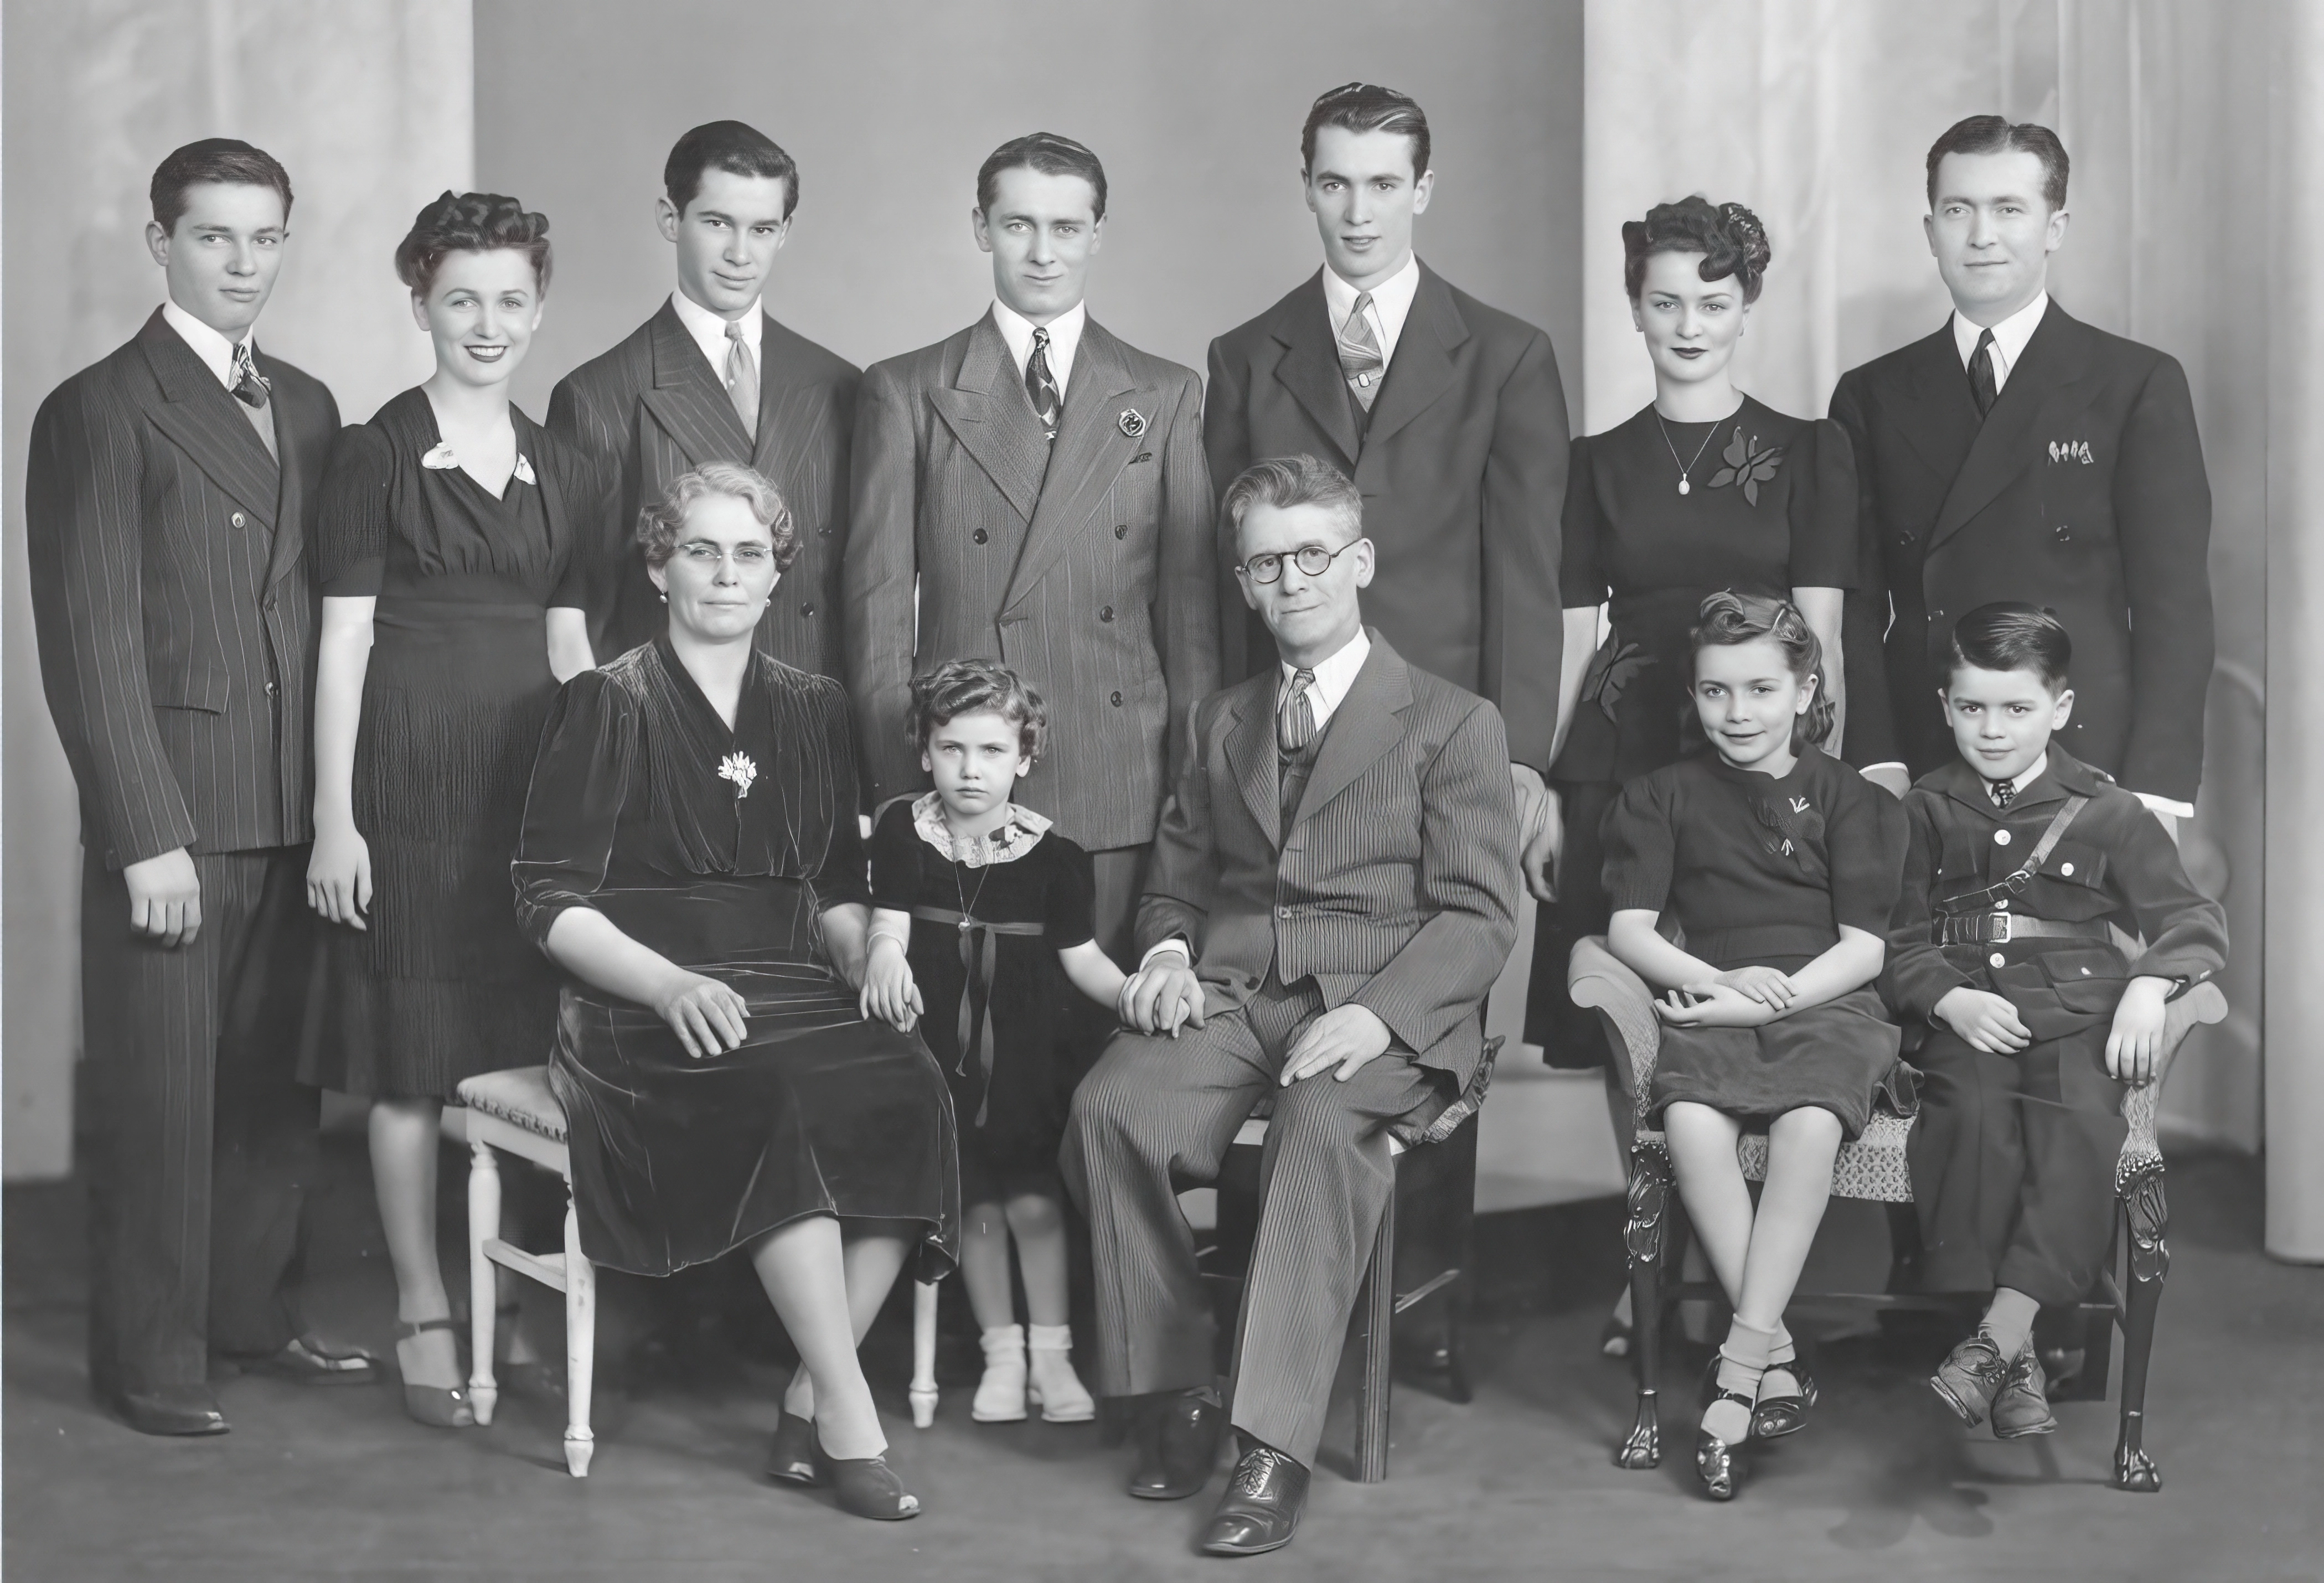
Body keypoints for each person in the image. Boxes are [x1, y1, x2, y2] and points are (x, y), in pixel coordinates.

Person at [1063, 456, 1518, 1557]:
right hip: (1236, 988)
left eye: (1311, 553)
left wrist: (1381, 1015)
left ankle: (1268, 1444)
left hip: (1383, 1002)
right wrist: (1167, 949)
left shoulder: (1453, 721)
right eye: (1266, 561)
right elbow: (1173, 881)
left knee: (1316, 1125)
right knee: (1110, 1102)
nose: (1290, 578)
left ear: (1356, 561)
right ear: (1244, 578)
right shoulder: (1220, 721)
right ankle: (1172, 1389)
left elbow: (1477, 912)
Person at [513, 462, 957, 1520]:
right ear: (659, 566)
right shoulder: (605, 702)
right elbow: (546, 898)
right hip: (639, 999)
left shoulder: (813, 707)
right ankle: (848, 1415)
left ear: (776, 577)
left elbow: (834, 887)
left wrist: (869, 959)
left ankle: (809, 1389)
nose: (725, 572)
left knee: (912, 1086)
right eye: (700, 550)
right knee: (778, 1093)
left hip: (790, 981)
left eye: (748, 552)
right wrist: (666, 984)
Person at [24, 138, 381, 1437]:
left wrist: (337, 804)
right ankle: (154, 1355)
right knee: (163, 1097)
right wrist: (144, 833)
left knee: (271, 1092)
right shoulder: (99, 408)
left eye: (265, 239)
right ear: (161, 243)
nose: (243, 263)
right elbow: (92, 642)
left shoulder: (312, 401)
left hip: (290, 810)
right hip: (177, 818)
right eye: (216, 236)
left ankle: (249, 1315)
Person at [1522, 196, 1871, 1356]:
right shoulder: (1591, 462)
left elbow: (1821, 632)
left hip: (1756, 758)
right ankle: (1653, 1258)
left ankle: (1741, 1294)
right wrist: (1542, 779)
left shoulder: (1810, 448)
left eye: (1711, 303)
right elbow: (1577, 636)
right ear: (1631, 306)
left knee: (1744, 990)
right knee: (1632, 1010)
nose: (1687, 323)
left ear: (1744, 309)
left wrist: (1814, 790)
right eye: (1663, 300)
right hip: (1619, 757)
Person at [301, 191, 597, 1427]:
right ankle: (424, 1303)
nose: (488, 323)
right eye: (461, 298)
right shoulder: (374, 453)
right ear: (419, 301)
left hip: (525, 792)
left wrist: (608, 790)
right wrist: (334, 816)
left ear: (539, 306)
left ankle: (506, 1302)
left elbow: (574, 642)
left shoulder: (570, 462)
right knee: (411, 1068)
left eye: (511, 300)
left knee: (518, 1049)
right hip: (406, 793)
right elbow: (343, 642)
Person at [846, 132, 1217, 966]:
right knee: (975, 1052)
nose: (1042, 253)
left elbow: (1190, 618)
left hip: (1117, 769)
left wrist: (1193, 786)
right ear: (980, 228)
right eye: (1017, 226)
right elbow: (875, 615)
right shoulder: (907, 389)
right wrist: (893, 792)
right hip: (963, 777)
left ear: (1098, 233)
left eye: (1065, 227)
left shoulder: (1163, 393)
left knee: (1101, 1051)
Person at [1204, 82, 1568, 901]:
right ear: (1305, 186)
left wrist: (1519, 759)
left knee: (1436, 996)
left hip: (1451, 731)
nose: (1358, 212)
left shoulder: (1507, 356)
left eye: (1384, 185)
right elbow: (1225, 582)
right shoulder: (1242, 359)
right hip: (1286, 733)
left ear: (1423, 190)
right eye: (1335, 184)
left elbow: (1525, 576)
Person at [1882, 604, 2225, 1441]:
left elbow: (2190, 921)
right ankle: (2016, 1352)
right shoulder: (1923, 809)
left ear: (2060, 709)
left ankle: (1993, 1341)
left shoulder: (2106, 812)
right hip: (1967, 1019)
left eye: (2016, 709)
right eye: (1971, 708)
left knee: (2076, 1126)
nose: (1991, 730)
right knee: (1967, 1124)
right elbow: (1890, 939)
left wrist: (2149, 987)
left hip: (2080, 1018)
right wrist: (1947, 999)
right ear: (1944, 705)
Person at [1599, 592, 1909, 1502]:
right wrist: (1724, 989)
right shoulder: (1661, 795)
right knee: (1689, 1119)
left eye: (1762, 690)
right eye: (1714, 692)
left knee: (1809, 1125)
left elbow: (1863, 948)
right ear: (1692, 695)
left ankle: (1738, 1363)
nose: (1737, 714)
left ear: (1806, 686)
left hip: (1828, 1005)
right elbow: (1628, 929)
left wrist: (1770, 1000)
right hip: (1716, 997)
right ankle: (1772, 1355)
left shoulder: (1849, 799)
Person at [1831, 116, 2213, 821]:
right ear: (1929, 231)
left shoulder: (2135, 383)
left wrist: (2157, 789)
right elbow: (1852, 605)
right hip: (1924, 756)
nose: (1981, 235)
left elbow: (2174, 608)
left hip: (2087, 758)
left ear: (2054, 226)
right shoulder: (1871, 393)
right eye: (1958, 210)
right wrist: (1874, 760)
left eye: (2009, 209)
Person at [859, 660, 1122, 1426]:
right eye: (951, 750)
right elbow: (889, 923)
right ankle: (1000, 1356)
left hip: (1028, 1056)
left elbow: (1085, 962)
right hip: (939, 1055)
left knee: (1035, 1205)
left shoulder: (1055, 858)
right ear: (924, 751)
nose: (970, 771)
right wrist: (881, 955)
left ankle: (1053, 1355)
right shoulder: (905, 835)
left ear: (1025, 758)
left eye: (991, 753)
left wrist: (1136, 991)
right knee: (972, 1209)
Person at [549, 121, 858, 669]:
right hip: (669, 716)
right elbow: (581, 615)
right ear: (671, 220)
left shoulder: (841, 385)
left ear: (785, 231)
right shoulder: (597, 396)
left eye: (762, 229)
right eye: (718, 223)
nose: (740, 254)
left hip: (813, 718)